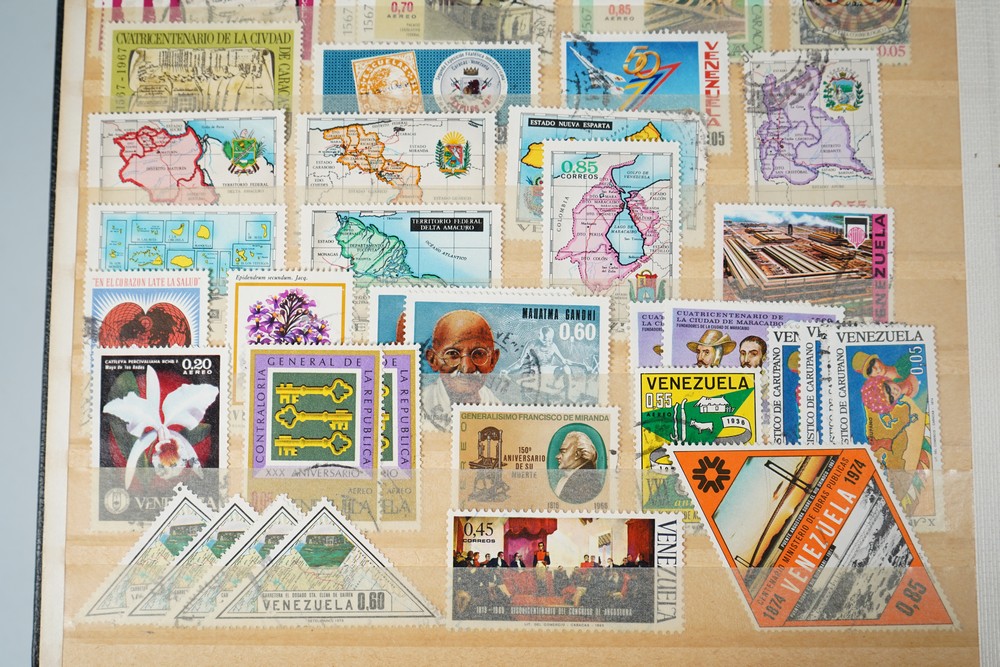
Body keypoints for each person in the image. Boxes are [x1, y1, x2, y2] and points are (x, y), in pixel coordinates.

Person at [422, 310, 501, 430]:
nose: (467, 368)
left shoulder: (500, 409)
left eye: (479, 354)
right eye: (453, 354)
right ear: (433, 360)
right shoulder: (418, 406)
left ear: (493, 360)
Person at [553, 430, 602, 504]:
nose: (557, 456)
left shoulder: (588, 483)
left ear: (577, 454)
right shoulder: (566, 478)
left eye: (563, 452)